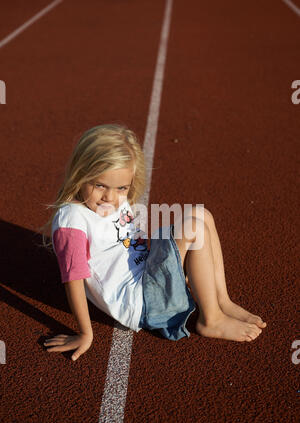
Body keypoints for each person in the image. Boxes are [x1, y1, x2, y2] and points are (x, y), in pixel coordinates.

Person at [42, 124, 266, 361]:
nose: (110, 196)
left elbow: (128, 242)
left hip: (148, 277)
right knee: (194, 227)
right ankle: (210, 320)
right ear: (80, 173)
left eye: (121, 188)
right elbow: (73, 278)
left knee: (202, 215)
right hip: (141, 301)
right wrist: (85, 334)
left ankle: (222, 301)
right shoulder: (73, 219)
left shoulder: (116, 200)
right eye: (99, 185)